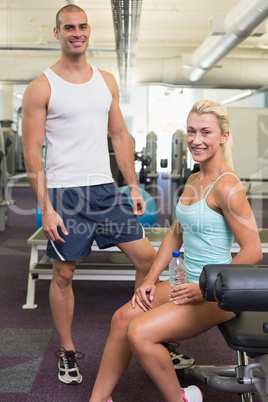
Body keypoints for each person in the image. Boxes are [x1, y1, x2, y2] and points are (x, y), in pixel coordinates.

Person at [21, 4, 193, 386]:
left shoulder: (106, 81)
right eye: (69, 28)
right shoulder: (41, 87)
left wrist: (132, 186)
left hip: (105, 190)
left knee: (149, 261)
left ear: (88, 31)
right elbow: (32, 152)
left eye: (82, 27)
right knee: (64, 274)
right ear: (57, 33)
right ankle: (66, 349)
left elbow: (119, 135)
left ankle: (147, 332)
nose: (76, 33)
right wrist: (46, 207)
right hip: (66, 195)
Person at [89, 100, 263, 402]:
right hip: (186, 284)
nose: (196, 140)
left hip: (217, 295)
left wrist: (205, 288)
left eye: (206, 132)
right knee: (121, 320)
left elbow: (254, 251)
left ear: (223, 136)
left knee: (139, 332)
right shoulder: (195, 179)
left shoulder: (228, 187)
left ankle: (180, 399)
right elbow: (175, 233)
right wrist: (149, 279)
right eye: (191, 132)